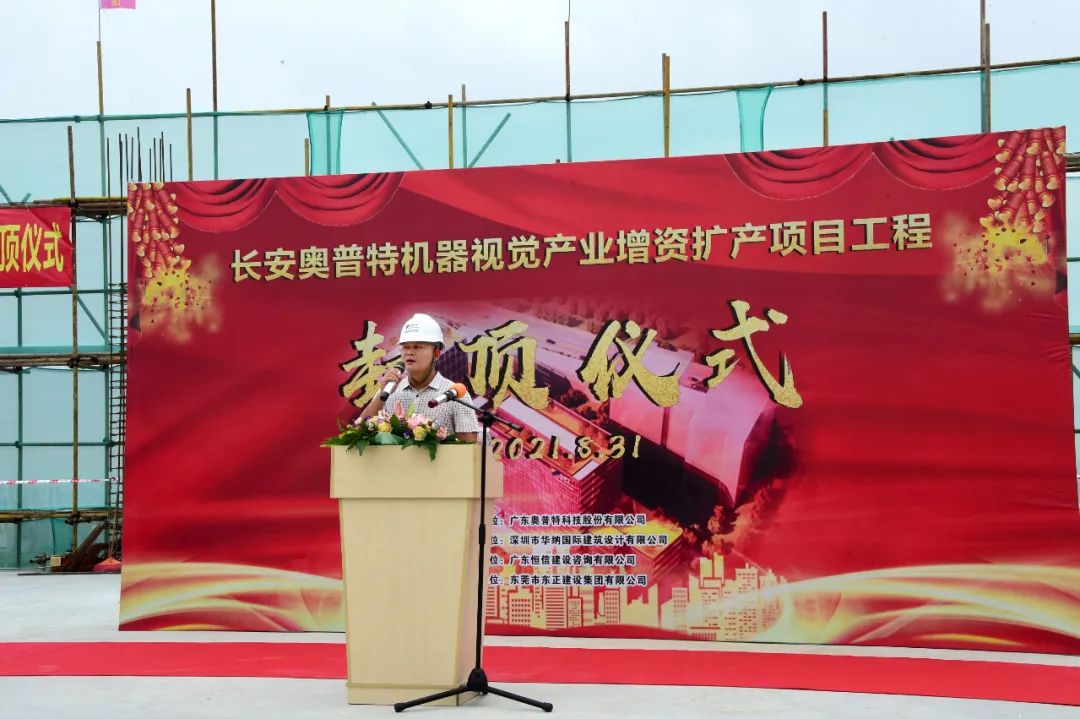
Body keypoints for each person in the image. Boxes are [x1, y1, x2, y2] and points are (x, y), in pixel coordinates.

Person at [360, 313, 480, 443]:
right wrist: (381, 395)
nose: (409, 352)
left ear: (436, 353)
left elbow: (470, 447)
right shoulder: (390, 391)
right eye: (405, 347)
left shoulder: (455, 393)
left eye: (417, 347)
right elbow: (359, 432)